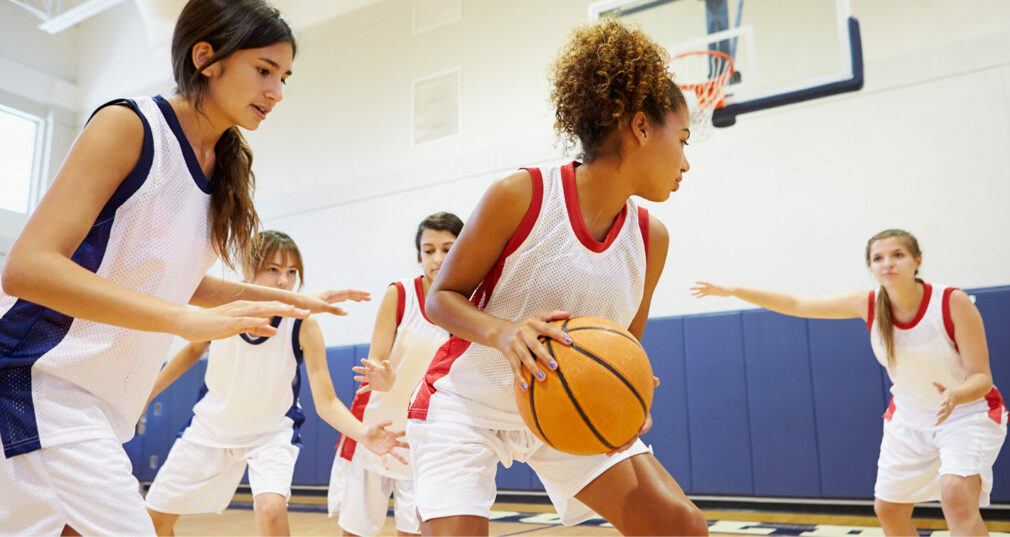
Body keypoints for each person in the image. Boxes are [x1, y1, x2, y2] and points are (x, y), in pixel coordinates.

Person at [0, 1, 365, 534]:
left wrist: (283, 301)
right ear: (206, 58)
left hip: (98, 406)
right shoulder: (130, 126)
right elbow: (28, 268)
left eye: (284, 77)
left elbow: (168, 279)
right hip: (42, 385)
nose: (277, 92)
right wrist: (179, 321)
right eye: (264, 70)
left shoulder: (224, 168)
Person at [406, 19, 707, 536]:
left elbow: (624, 342)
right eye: (681, 139)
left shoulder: (650, 238)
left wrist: (626, 389)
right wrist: (505, 332)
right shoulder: (522, 195)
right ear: (639, 127)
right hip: (468, 404)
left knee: (680, 527)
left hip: (563, 405)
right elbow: (440, 300)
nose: (686, 162)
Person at [691, 228, 1009, 537]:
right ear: (871, 266)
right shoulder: (868, 303)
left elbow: (982, 378)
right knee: (889, 510)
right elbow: (797, 304)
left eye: (898, 255)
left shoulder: (952, 302)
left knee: (955, 498)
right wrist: (735, 291)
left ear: (917, 261)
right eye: (878, 258)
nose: (888, 263)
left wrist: (956, 394)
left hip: (967, 415)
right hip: (910, 420)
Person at [143, 231, 407, 536]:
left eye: (292, 272)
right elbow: (191, 349)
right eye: (273, 269)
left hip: (271, 434)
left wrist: (364, 435)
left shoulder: (304, 324)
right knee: (154, 520)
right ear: (249, 269)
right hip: (210, 428)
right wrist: (148, 394)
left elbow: (327, 401)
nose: (284, 281)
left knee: (271, 510)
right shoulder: (222, 307)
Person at [328, 212, 464, 536]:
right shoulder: (400, 294)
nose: (437, 258)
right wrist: (383, 378)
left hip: (426, 436)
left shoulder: (470, 303)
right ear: (419, 256)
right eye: (429, 250)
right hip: (378, 424)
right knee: (356, 531)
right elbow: (376, 360)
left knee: (415, 531)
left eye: (447, 248)